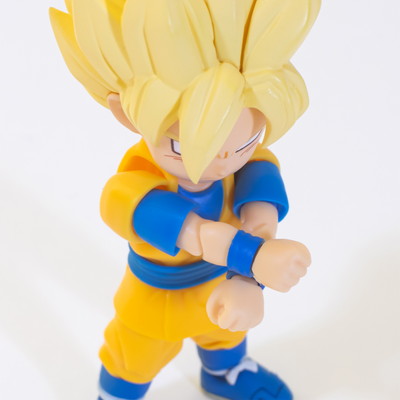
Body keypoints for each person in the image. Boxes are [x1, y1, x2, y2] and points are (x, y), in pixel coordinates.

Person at [50, 1, 321, 399]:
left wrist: (247, 281)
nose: (223, 163)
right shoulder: (128, 192)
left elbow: (259, 209)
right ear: (126, 113)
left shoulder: (248, 164)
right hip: (156, 301)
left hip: (218, 281)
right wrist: (252, 261)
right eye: (184, 145)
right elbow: (197, 233)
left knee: (226, 337)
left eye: (246, 142)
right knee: (133, 359)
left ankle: (225, 373)